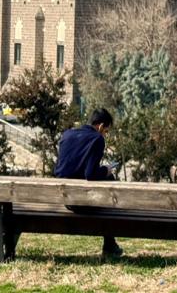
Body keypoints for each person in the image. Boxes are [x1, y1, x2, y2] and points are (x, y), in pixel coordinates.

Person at [55, 108, 123, 258]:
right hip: (82, 201)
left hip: (65, 199)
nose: (105, 134)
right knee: (109, 184)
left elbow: (60, 170)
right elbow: (90, 174)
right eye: (106, 131)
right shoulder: (97, 139)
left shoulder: (67, 134)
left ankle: (110, 245)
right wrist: (106, 170)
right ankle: (109, 245)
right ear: (100, 126)